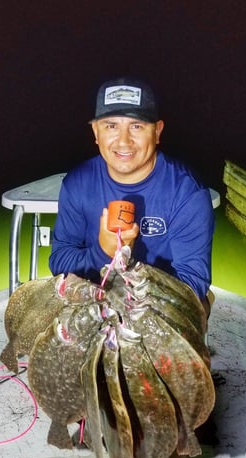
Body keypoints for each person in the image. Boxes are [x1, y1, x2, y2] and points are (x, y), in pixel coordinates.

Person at [49, 77, 215, 315]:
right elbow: (59, 261)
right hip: (95, 300)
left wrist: (131, 287)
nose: (124, 141)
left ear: (157, 131)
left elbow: (193, 282)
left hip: (158, 307)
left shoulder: (187, 192)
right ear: (96, 132)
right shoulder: (78, 183)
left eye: (136, 126)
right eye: (111, 126)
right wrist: (102, 252)